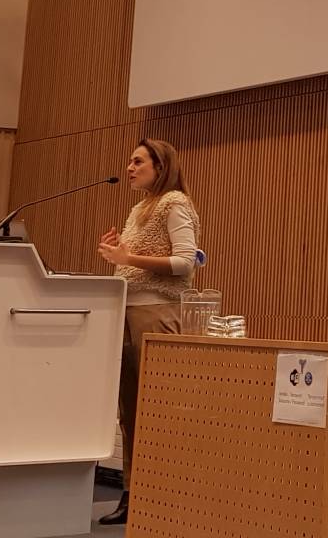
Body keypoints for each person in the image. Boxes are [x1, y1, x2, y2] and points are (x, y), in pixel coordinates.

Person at [95, 138, 201, 525]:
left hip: (157, 313)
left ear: (161, 166)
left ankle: (163, 492)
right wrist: (118, 253)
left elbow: (185, 262)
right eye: (130, 161)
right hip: (126, 311)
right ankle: (132, 491)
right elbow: (133, 260)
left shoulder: (175, 203)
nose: (130, 167)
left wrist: (129, 257)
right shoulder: (140, 207)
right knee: (130, 409)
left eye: (138, 161)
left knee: (157, 408)